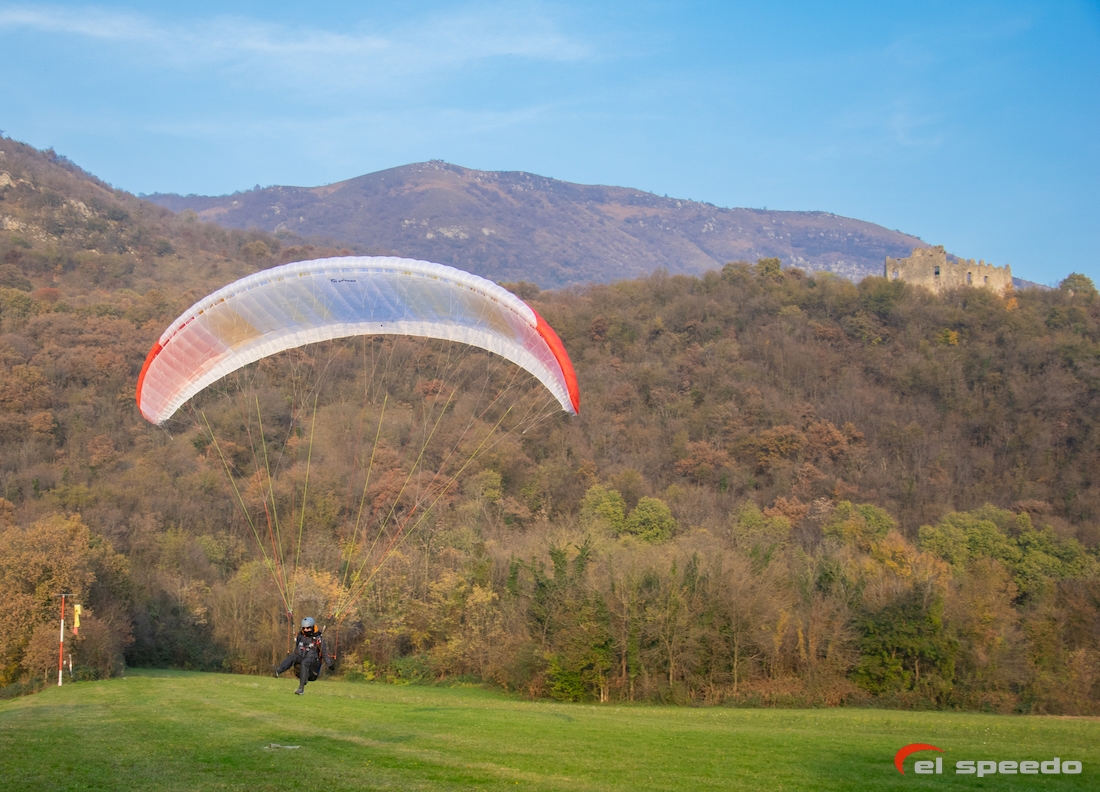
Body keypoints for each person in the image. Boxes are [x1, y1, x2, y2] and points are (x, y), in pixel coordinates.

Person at [274, 617, 335, 694]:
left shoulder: (318, 639)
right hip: (301, 664)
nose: (306, 630)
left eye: (308, 628)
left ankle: (301, 689)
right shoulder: (300, 636)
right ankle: (278, 671)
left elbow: (324, 653)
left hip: (312, 668)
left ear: (312, 627)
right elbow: (297, 649)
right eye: (304, 628)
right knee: (293, 656)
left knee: (305, 662)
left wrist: (329, 664)